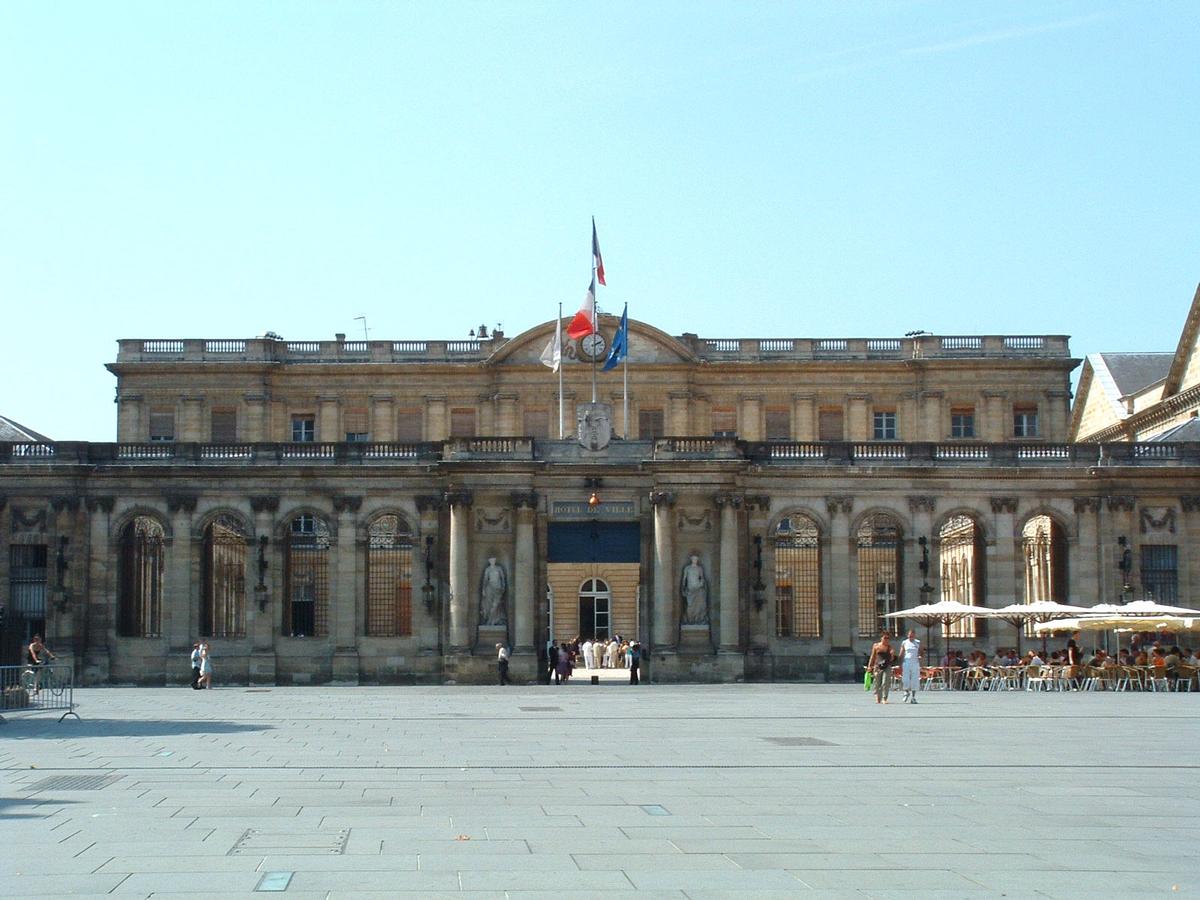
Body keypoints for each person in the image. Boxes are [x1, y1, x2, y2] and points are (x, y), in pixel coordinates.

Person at [866, 631, 894, 704]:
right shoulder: (876, 646)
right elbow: (873, 656)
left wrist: (892, 655)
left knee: (885, 682)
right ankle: (878, 698)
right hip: (878, 666)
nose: (886, 640)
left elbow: (891, 659)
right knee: (877, 683)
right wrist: (870, 666)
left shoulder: (890, 647)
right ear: (881, 638)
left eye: (888, 638)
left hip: (887, 666)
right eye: (885, 638)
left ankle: (885, 698)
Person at [479, 558, 508, 626]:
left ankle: (495, 620)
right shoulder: (488, 569)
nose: (493, 561)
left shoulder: (499, 568)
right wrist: (483, 589)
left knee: (496, 605)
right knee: (489, 605)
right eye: (491, 560)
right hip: (489, 588)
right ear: (489, 561)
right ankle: (490, 621)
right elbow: (485, 580)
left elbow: (502, 578)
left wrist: (503, 586)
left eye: (494, 560)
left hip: (498, 588)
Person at [899, 629, 921, 704]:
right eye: (909, 635)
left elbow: (921, 652)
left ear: (914, 635)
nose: (910, 637)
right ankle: (906, 692)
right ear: (907, 635)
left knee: (915, 679)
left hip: (915, 662)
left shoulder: (918, 642)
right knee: (905, 679)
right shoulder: (904, 642)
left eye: (912, 635)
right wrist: (900, 663)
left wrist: (921, 656)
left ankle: (913, 697)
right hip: (906, 662)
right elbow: (901, 653)